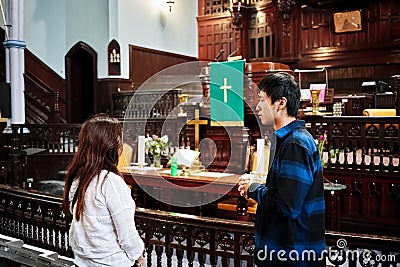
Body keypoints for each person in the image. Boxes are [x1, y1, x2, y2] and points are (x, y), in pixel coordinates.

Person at [238, 72, 326, 266]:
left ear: (281, 103)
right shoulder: (287, 140)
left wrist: (253, 188)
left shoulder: (295, 144)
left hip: (292, 254)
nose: (258, 107)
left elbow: (288, 206)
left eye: (262, 100)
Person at [62, 113, 145, 267]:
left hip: (82, 261)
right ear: (111, 144)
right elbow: (127, 236)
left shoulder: (78, 177)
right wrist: (139, 257)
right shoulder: (111, 182)